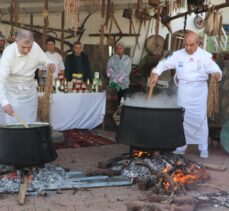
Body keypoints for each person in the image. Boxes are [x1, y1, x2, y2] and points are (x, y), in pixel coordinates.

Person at [149, 32, 222, 159]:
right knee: (182, 118)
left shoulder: (205, 56)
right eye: (186, 45)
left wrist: (217, 74)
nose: (188, 48)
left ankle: (203, 148)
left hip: (199, 92)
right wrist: (155, 73)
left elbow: (216, 70)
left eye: (191, 45)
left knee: (200, 119)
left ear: (198, 43)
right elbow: (163, 63)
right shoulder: (177, 55)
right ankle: (181, 146)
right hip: (184, 90)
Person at [0, 29, 55, 124]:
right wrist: (5, 103)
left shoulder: (35, 47)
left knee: (30, 122)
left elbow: (45, 60)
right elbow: (1, 80)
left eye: (29, 47)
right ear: (16, 41)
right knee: (13, 124)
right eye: (23, 47)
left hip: (30, 93)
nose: (26, 50)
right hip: (13, 94)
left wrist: (50, 64)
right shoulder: (8, 53)